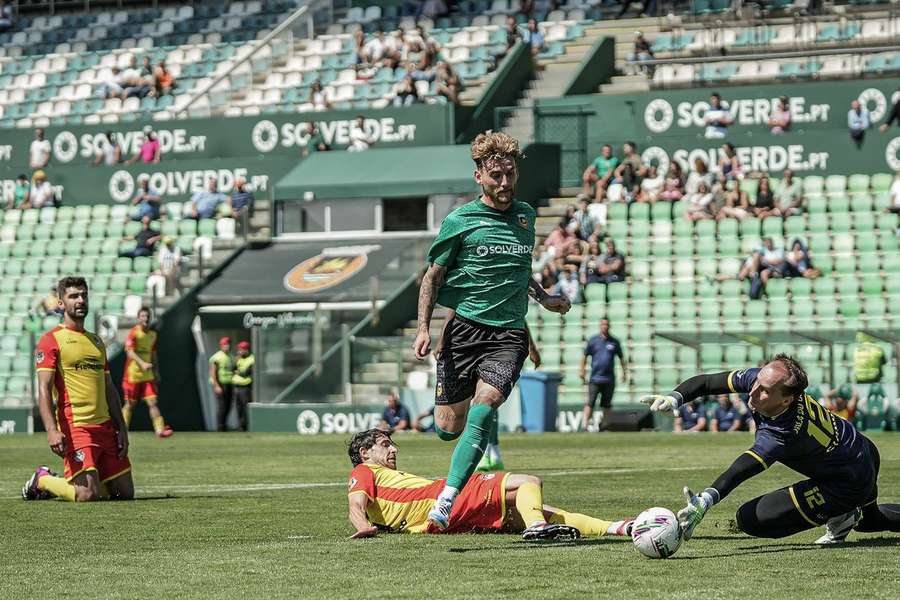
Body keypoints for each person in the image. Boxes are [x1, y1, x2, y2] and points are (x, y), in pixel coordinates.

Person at [412, 131, 571, 530]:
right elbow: (433, 277)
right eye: (496, 176)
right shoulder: (460, 220)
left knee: (485, 408)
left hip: (508, 336)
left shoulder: (525, 216)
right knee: (449, 429)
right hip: (463, 331)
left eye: (510, 174)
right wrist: (423, 329)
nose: (504, 184)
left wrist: (543, 297)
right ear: (478, 176)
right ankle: (465, 445)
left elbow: (519, 272)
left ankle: (447, 499)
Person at [641, 355, 900, 544]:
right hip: (863, 450)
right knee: (872, 522)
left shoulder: (783, 433)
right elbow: (709, 382)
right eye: (757, 382)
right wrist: (675, 396)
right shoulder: (765, 381)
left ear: (787, 399)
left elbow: (742, 469)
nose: (753, 391)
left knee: (750, 520)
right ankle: (850, 513)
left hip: (847, 481)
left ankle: (842, 513)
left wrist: (706, 500)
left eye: (764, 391)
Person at [346, 428, 634, 540]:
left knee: (529, 509)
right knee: (528, 483)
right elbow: (355, 506)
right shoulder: (363, 470)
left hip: (439, 520)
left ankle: (617, 527)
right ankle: (537, 527)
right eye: (385, 445)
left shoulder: (386, 478)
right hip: (442, 499)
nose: (393, 450)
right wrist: (363, 527)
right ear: (365, 453)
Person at [22, 277, 133, 502]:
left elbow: (109, 388)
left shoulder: (96, 341)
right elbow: (44, 389)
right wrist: (52, 430)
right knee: (87, 495)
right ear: (61, 303)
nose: (80, 300)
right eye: (73, 296)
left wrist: (121, 427)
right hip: (76, 427)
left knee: (124, 493)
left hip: (105, 428)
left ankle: (90, 476)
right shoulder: (51, 340)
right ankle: (42, 480)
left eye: (83, 295)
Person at [121, 306, 173, 438]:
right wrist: (142, 363)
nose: (146, 318)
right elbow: (129, 352)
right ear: (138, 318)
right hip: (133, 375)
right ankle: (122, 430)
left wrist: (156, 372)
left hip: (147, 375)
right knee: (130, 404)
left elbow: (153, 355)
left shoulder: (152, 335)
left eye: (148, 316)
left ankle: (159, 430)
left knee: (153, 402)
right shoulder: (134, 332)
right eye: (143, 316)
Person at [580, 318, 627, 432]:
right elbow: (585, 356)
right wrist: (582, 370)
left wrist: (624, 372)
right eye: (603, 324)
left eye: (606, 324)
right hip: (595, 378)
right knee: (590, 402)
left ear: (609, 326)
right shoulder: (593, 341)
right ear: (600, 326)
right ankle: (584, 426)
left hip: (609, 379)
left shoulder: (614, 342)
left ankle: (605, 426)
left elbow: (621, 358)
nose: (604, 326)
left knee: (607, 404)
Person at [209, 337, 234, 432]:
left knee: (228, 406)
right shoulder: (217, 357)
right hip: (221, 384)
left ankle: (224, 425)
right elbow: (212, 372)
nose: (227, 346)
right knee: (222, 407)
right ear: (221, 346)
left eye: (228, 344)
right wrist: (216, 385)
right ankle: (220, 427)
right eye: (225, 345)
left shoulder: (231, 356)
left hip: (229, 384)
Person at [232, 340, 254, 432]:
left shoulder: (252, 359)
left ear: (246, 350)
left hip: (245, 388)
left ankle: (246, 426)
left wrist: (238, 371)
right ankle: (240, 426)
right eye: (239, 349)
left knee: (245, 408)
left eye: (241, 349)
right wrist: (235, 362)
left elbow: (246, 373)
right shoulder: (238, 358)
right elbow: (232, 368)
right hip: (236, 387)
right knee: (238, 408)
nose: (239, 351)